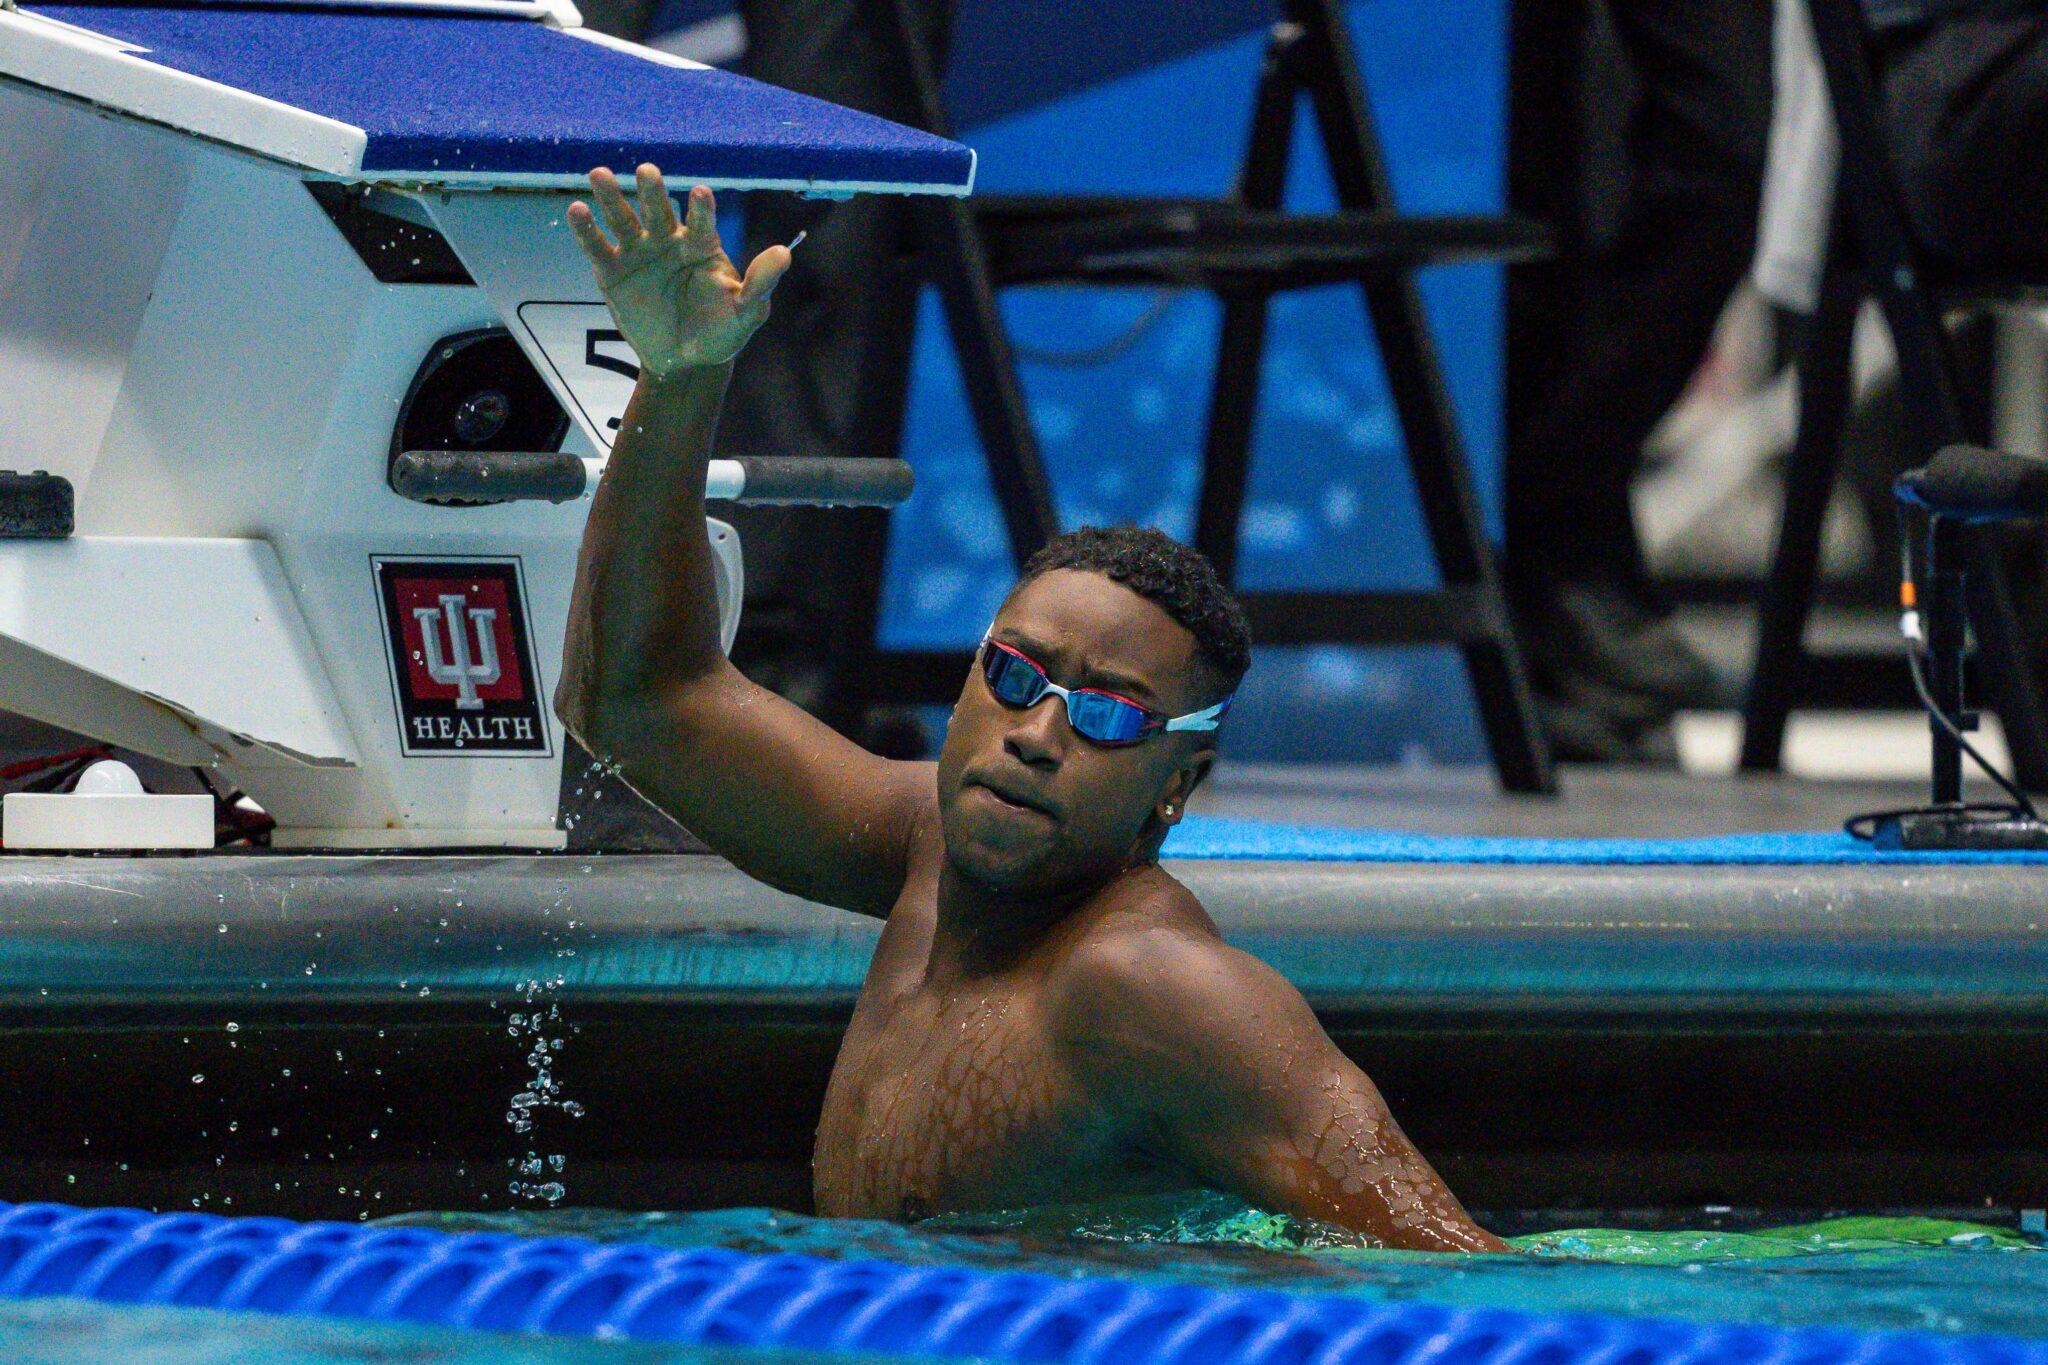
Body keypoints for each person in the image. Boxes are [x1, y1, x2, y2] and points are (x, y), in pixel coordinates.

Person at [554, 164, 1509, 1252]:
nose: (1037, 735)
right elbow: (632, 701)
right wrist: (677, 380)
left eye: (1107, 715)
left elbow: (1462, 1279)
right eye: (1014, 675)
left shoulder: (1151, 995)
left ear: (1174, 794)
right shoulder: (928, 848)